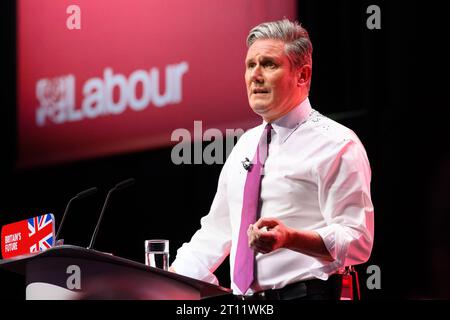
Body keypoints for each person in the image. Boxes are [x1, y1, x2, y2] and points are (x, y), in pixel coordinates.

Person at [170, 19, 374, 300]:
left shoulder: (337, 143)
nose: (255, 75)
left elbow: (358, 241)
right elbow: (215, 233)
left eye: (268, 64)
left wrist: (290, 238)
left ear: (302, 76)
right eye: (250, 65)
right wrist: (165, 282)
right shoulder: (245, 145)